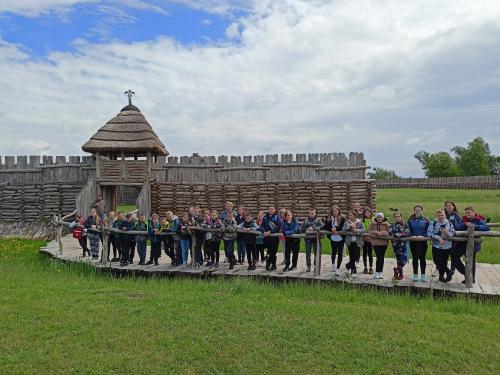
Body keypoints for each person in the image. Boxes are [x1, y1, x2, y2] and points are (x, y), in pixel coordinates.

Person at [453, 206, 489, 284]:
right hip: (462, 243)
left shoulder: (479, 219)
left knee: (471, 261)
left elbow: (486, 227)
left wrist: (474, 226)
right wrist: (465, 225)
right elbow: (457, 227)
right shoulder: (464, 219)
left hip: (473, 244)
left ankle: (471, 279)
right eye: (466, 213)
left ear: (473, 212)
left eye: (469, 212)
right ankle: (466, 274)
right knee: (454, 255)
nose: (467, 214)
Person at [427, 209, 455, 283]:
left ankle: (441, 276)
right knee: (437, 261)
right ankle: (449, 271)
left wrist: (446, 232)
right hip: (436, 245)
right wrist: (438, 238)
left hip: (447, 246)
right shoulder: (433, 223)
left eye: (442, 215)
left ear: (445, 215)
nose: (440, 217)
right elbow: (429, 233)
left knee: (444, 261)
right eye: (439, 215)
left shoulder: (449, 223)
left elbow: (453, 233)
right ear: (436, 216)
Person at [407, 205, 430, 282]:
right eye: (416, 210)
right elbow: (407, 230)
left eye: (419, 210)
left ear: (422, 211)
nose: (417, 212)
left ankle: (423, 275)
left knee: (422, 258)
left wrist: (423, 236)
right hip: (413, 241)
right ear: (414, 211)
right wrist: (411, 236)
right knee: (415, 258)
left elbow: (429, 230)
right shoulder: (410, 220)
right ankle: (415, 274)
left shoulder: (426, 220)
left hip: (423, 241)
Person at [324, 206, 346, 276]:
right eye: (333, 211)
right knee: (333, 251)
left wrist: (336, 228)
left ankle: (338, 268)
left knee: (340, 253)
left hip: (340, 238)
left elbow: (343, 227)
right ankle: (333, 264)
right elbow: (326, 227)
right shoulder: (329, 218)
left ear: (338, 211)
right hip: (333, 238)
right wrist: (331, 229)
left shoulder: (342, 218)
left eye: (335, 211)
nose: (334, 212)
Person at [342, 210, 364, 277]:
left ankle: (348, 265)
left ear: (355, 216)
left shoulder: (359, 222)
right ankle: (353, 271)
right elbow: (343, 230)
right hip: (349, 242)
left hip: (357, 241)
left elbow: (363, 230)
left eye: (351, 215)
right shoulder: (347, 222)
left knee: (356, 255)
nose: (349, 216)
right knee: (351, 256)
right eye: (349, 215)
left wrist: (355, 230)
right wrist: (348, 227)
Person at [368, 212, 390, 280]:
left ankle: (381, 272)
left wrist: (382, 233)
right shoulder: (372, 223)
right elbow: (369, 231)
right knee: (378, 257)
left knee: (381, 257)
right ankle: (377, 272)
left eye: (380, 217)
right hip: (375, 243)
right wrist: (375, 232)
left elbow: (389, 232)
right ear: (376, 217)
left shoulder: (387, 224)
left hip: (384, 243)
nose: (379, 218)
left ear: (383, 218)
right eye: (378, 217)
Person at [389, 212, 410, 280]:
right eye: (396, 217)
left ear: (401, 217)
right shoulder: (392, 225)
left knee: (405, 259)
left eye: (398, 216)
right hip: (395, 245)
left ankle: (397, 269)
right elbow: (391, 232)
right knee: (399, 260)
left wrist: (399, 235)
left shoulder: (405, 224)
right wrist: (396, 235)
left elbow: (408, 232)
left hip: (403, 244)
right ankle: (400, 274)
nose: (397, 218)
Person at [260, 206, 282, 271]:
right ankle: (269, 264)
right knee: (269, 252)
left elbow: (278, 226)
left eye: (272, 209)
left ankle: (272, 265)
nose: (271, 210)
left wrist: (271, 232)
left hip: (274, 238)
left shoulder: (277, 217)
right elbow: (261, 226)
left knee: (273, 252)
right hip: (267, 238)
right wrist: (264, 231)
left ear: (275, 210)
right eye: (269, 209)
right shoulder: (265, 217)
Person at [302, 208, 324, 272]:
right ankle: (308, 266)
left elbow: (322, 226)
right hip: (308, 239)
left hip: (316, 239)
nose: (311, 214)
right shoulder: (306, 220)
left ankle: (316, 265)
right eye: (310, 213)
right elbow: (302, 228)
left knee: (316, 253)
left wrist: (314, 228)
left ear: (315, 213)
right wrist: (306, 229)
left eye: (312, 213)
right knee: (308, 253)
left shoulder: (318, 220)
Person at [444, 200, 463, 273]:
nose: (448, 207)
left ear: (453, 207)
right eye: (447, 205)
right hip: (444, 237)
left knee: (452, 253)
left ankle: (452, 270)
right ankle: (441, 269)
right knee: (444, 254)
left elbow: (459, 226)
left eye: (450, 205)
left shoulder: (457, 215)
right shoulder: (443, 214)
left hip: (454, 238)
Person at [361, 207, 374, 274]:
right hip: (364, 239)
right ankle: (365, 267)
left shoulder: (373, 220)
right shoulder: (362, 220)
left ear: (370, 213)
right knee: (364, 254)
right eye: (365, 213)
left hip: (371, 239)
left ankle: (371, 268)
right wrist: (364, 237)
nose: (367, 214)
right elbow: (361, 229)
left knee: (370, 254)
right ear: (364, 214)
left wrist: (370, 236)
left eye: (368, 213)